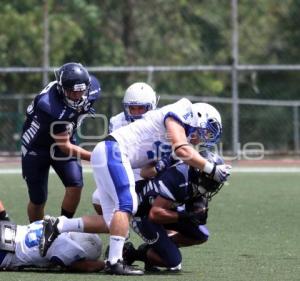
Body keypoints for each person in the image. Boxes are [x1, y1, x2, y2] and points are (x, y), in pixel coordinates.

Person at [40, 100, 231, 275]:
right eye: (206, 131)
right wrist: (211, 169)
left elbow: (148, 171)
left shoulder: (171, 140)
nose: (202, 139)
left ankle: (58, 225)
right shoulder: (179, 112)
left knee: (112, 222)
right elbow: (181, 148)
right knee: (127, 204)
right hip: (114, 150)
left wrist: (160, 166)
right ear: (198, 117)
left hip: (108, 153)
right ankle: (115, 262)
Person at [21, 62, 101, 222]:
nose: (78, 96)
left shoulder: (93, 88)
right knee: (38, 200)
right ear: (61, 88)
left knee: (75, 185)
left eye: (81, 91)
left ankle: (60, 229)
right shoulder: (49, 106)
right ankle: (37, 233)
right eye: (72, 92)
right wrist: (97, 157)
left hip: (64, 134)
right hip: (37, 146)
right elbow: (64, 147)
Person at [120, 150, 225, 272]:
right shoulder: (179, 178)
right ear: (199, 172)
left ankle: (157, 247)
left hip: (165, 208)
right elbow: (155, 214)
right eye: (211, 180)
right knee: (173, 261)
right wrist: (185, 215)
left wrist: (197, 210)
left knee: (201, 235)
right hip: (143, 214)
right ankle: (132, 253)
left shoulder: (194, 179)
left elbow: (190, 207)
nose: (214, 185)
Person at [92, 81, 158, 214]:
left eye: (141, 108)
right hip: (127, 170)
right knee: (98, 197)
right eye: (132, 108)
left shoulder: (159, 123)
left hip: (153, 173)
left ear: (151, 107)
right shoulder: (117, 122)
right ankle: (120, 225)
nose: (136, 112)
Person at [0, 219, 105, 272]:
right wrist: (107, 264)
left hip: (7, 230)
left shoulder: (61, 223)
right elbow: (86, 266)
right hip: (5, 254)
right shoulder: (67, 248)